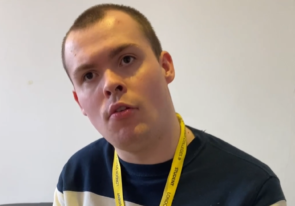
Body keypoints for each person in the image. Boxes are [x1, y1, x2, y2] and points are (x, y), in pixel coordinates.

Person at [53, 3, 286, 206]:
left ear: (165, 66)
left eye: (126, 59)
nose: (110, 84)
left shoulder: (252, 190)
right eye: (89, 76)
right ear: (79, 102)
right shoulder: (75, 179)